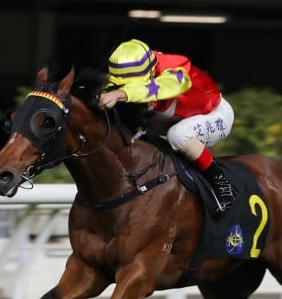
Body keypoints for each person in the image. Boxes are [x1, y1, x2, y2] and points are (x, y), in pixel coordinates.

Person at [98, 39, 236, 213]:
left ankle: (221, 184)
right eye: (123, 85)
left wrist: (121, 93)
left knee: (178, 135)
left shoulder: (175, 69)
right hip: (174, 118)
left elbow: (156, 89)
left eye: (130, 86)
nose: (125, 89)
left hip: (214, 114)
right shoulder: (138, 68)